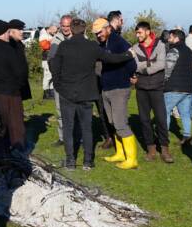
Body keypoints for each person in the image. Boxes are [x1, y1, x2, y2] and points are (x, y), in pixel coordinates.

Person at [48, 18, 133, 169]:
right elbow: (111, 58)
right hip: (86, 92)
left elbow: (54, 65)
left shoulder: (63, 46)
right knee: (86, 128)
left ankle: (70, 161)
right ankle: (88, 161)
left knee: (68, 128)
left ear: (71, 30)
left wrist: (58, 85)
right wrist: (128, 55)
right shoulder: (92, 46)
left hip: (67, 93)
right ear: (85, 30)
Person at [95, 18, 139, 169]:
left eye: (99, 32)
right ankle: (120, 153)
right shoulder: (102, 43)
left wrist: (126, 76)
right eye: (95, 33)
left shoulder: (119, 42)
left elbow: (132, 62)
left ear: (108, 28)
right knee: (113, 122)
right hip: (106, 88)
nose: (97, 35)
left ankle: (132, 159)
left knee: (120, 123)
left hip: (119, 88)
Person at [0, 19, 30, 156]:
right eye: (8, 32)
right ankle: (18, 153)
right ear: (4, 32)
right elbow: (21, 72)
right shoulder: (11, 50)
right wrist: (19, 86)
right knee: (16, 126)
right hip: (11, 92)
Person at [128, 21, 172, 163]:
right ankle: (150, 148)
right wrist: (147, 66)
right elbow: (134, 65)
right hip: (141, 88)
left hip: (157, 88)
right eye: (136, 32)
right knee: (144, 120)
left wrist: (144, 68)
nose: (137, 35)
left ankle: (164, 149)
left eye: (139, 32)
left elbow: (161, 64)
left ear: (148, 32)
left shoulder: (160, 45)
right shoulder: (135, 48)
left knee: (161, 119)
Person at [163, 29, 192, 152]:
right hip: (188, 88)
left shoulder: (174, 51)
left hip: (174, 87)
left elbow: (167, 69)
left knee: (164, 111)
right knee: (185, 114)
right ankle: (187, 136)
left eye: (170, 37)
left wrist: (162, 82)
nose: (168, 39)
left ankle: (163, 137)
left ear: (176, 37)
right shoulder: (190, 52)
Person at [48, 15, 74, 144]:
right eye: (63, 26)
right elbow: (50, 59)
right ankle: (62, 137)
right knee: (60, 111)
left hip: (75, 82)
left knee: (75, 110)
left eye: (68, 26)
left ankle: (76, 136)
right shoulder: (55, 40)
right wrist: (56, 76)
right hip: (60, 82)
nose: (65, 28)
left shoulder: (80, 38)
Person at [39, 24, 56, 100]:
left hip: (51, 58)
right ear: (50, 29)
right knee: (47, 76)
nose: (55, 33)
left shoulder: (49, 35)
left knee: (52, 76)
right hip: (46, 59)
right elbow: (44, 46)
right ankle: (46, 93)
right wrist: (52, 42)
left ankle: (51, 92)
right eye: (54, 31)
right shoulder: (43, 35)